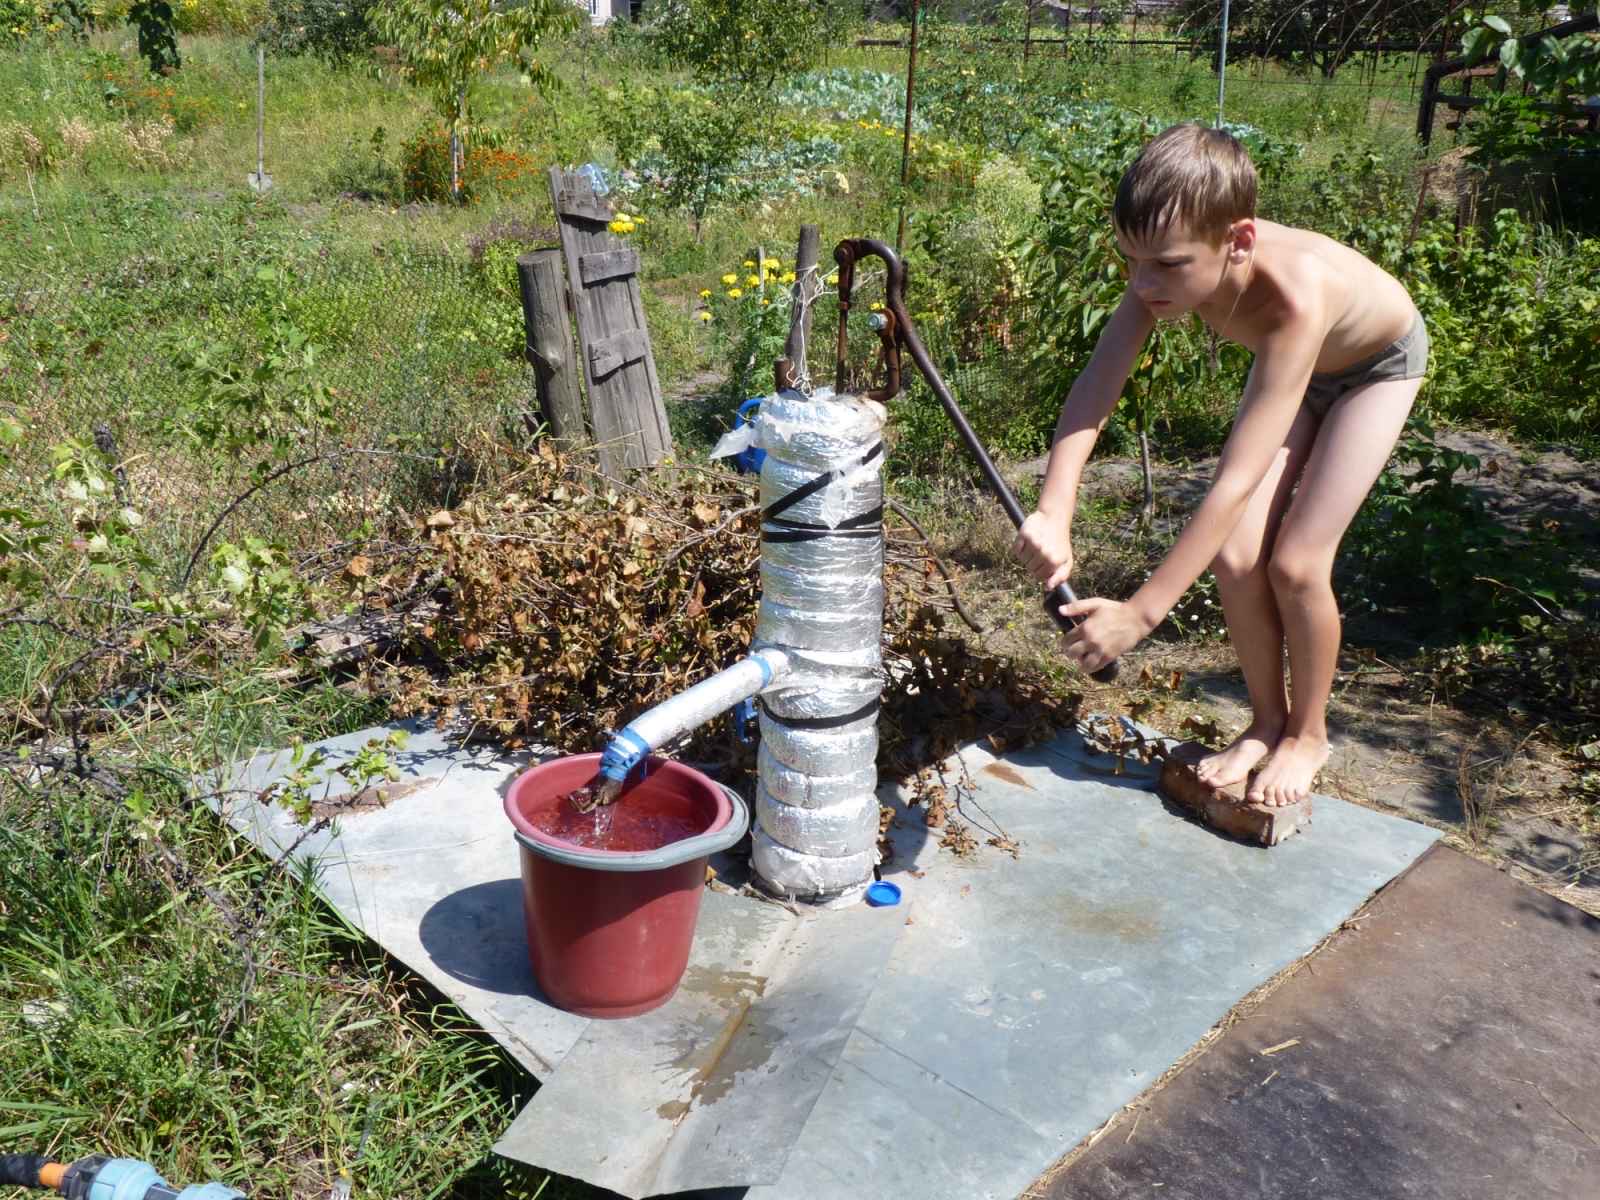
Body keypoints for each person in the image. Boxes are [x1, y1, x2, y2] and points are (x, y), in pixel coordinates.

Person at [1013, 122, 1427, 808]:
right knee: (1237, 559)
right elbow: (1097, 384)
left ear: (1237, 241)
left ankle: (1309, 734)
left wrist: (1141, 614)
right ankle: (1267, 724)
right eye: (1129, 260)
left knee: (1297, 563)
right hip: (1294, 371)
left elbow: (1235, 479)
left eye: (1167, 265)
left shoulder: (1298, 296)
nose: (1143, 283)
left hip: (1372, 372)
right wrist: (1055, 510)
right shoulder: (1160, 266)